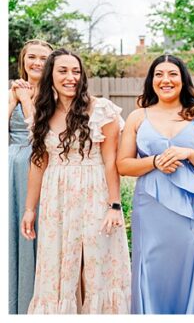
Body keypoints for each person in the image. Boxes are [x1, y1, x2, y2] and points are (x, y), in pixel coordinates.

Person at [21, 48, 131, 313]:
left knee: (94, 264)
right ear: (50, 76)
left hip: (95, 191)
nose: (71, 77)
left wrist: (114, 205)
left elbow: (110, 161)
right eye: (63, 70)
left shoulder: (101, 110)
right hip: (55, 197)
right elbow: (38, 163)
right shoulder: (41, 113)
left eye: (76, 71)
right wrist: (29, 209)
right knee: (61, 265)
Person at [117, 54, 194, 314]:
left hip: (191, 206)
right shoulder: (137, 117)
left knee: (193, 262)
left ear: (182, 79)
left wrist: (188, 154)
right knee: (153, 268)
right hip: (151, 207)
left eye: (172, 74)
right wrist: (154, 161)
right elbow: (123, 165)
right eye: (159, 74)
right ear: (151, 81)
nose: (166, 80)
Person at [9, 39, 52, 314]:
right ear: (23, 60)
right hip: (9, 169)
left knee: (37, 232)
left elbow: (41, 136)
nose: (36, 63)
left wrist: (26, 101)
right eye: (31, 57)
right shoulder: (10, 92)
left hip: (40, 168)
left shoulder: (54, 95)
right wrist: (12, 99)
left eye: (43, 58)